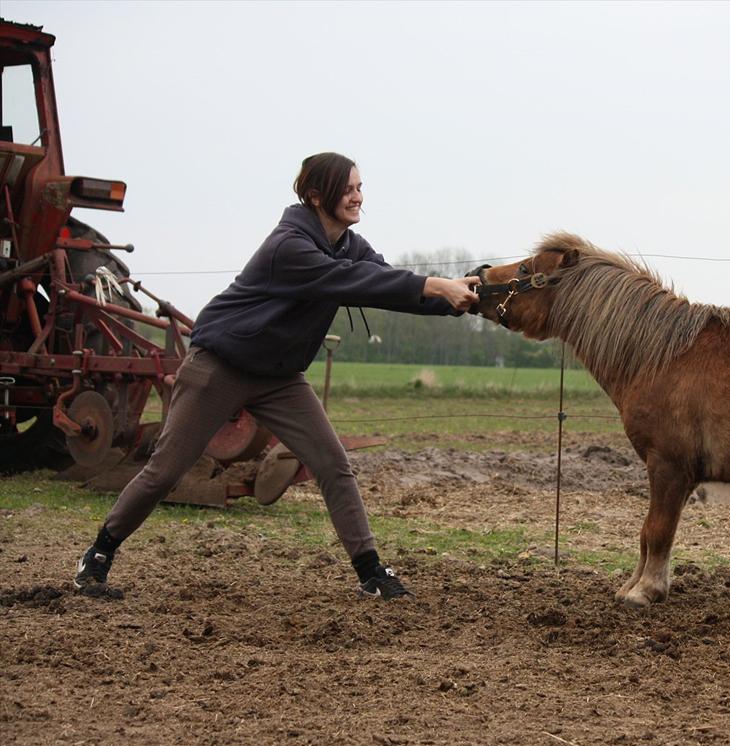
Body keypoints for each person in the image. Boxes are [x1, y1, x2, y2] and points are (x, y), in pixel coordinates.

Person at [72, 152, 479, 600]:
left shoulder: (348, 243)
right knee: (165, 471)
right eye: (348, 189)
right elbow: (349, 281)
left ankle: (371, 573)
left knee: (333, 464)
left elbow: (385, 281)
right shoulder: (290, 245)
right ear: (315, 194)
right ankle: (99, 554)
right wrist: (435, 285)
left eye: (360, 187)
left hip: (278, 376)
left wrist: (465, 297)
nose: (357, 196)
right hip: (220, 366)